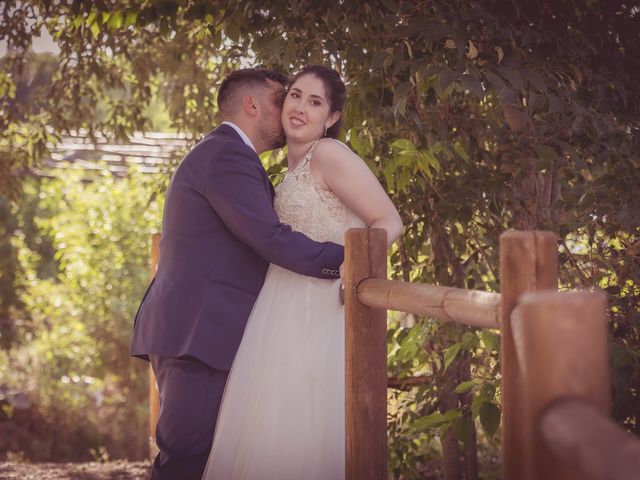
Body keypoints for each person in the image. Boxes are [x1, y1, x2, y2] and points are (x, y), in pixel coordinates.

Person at [130, 68, 346, 480]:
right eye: (282, 98)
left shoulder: (229, 155)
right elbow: (269, 237)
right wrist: (348, 258)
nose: (291, 109)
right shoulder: (226, 155)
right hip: (199, 335)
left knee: (202, 458)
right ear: (252, 105)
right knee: (185, 460)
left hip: (203, 333)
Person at [203, 65, 403, 479]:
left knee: (305, 420)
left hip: (319, 307)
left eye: (315, 102)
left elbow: (389, 220)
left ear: (331, 118)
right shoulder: (286, 170)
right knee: (271, 424)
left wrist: (353, 264)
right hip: (278, 311)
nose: (299, 108)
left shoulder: (330, 154)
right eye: (294, 96)